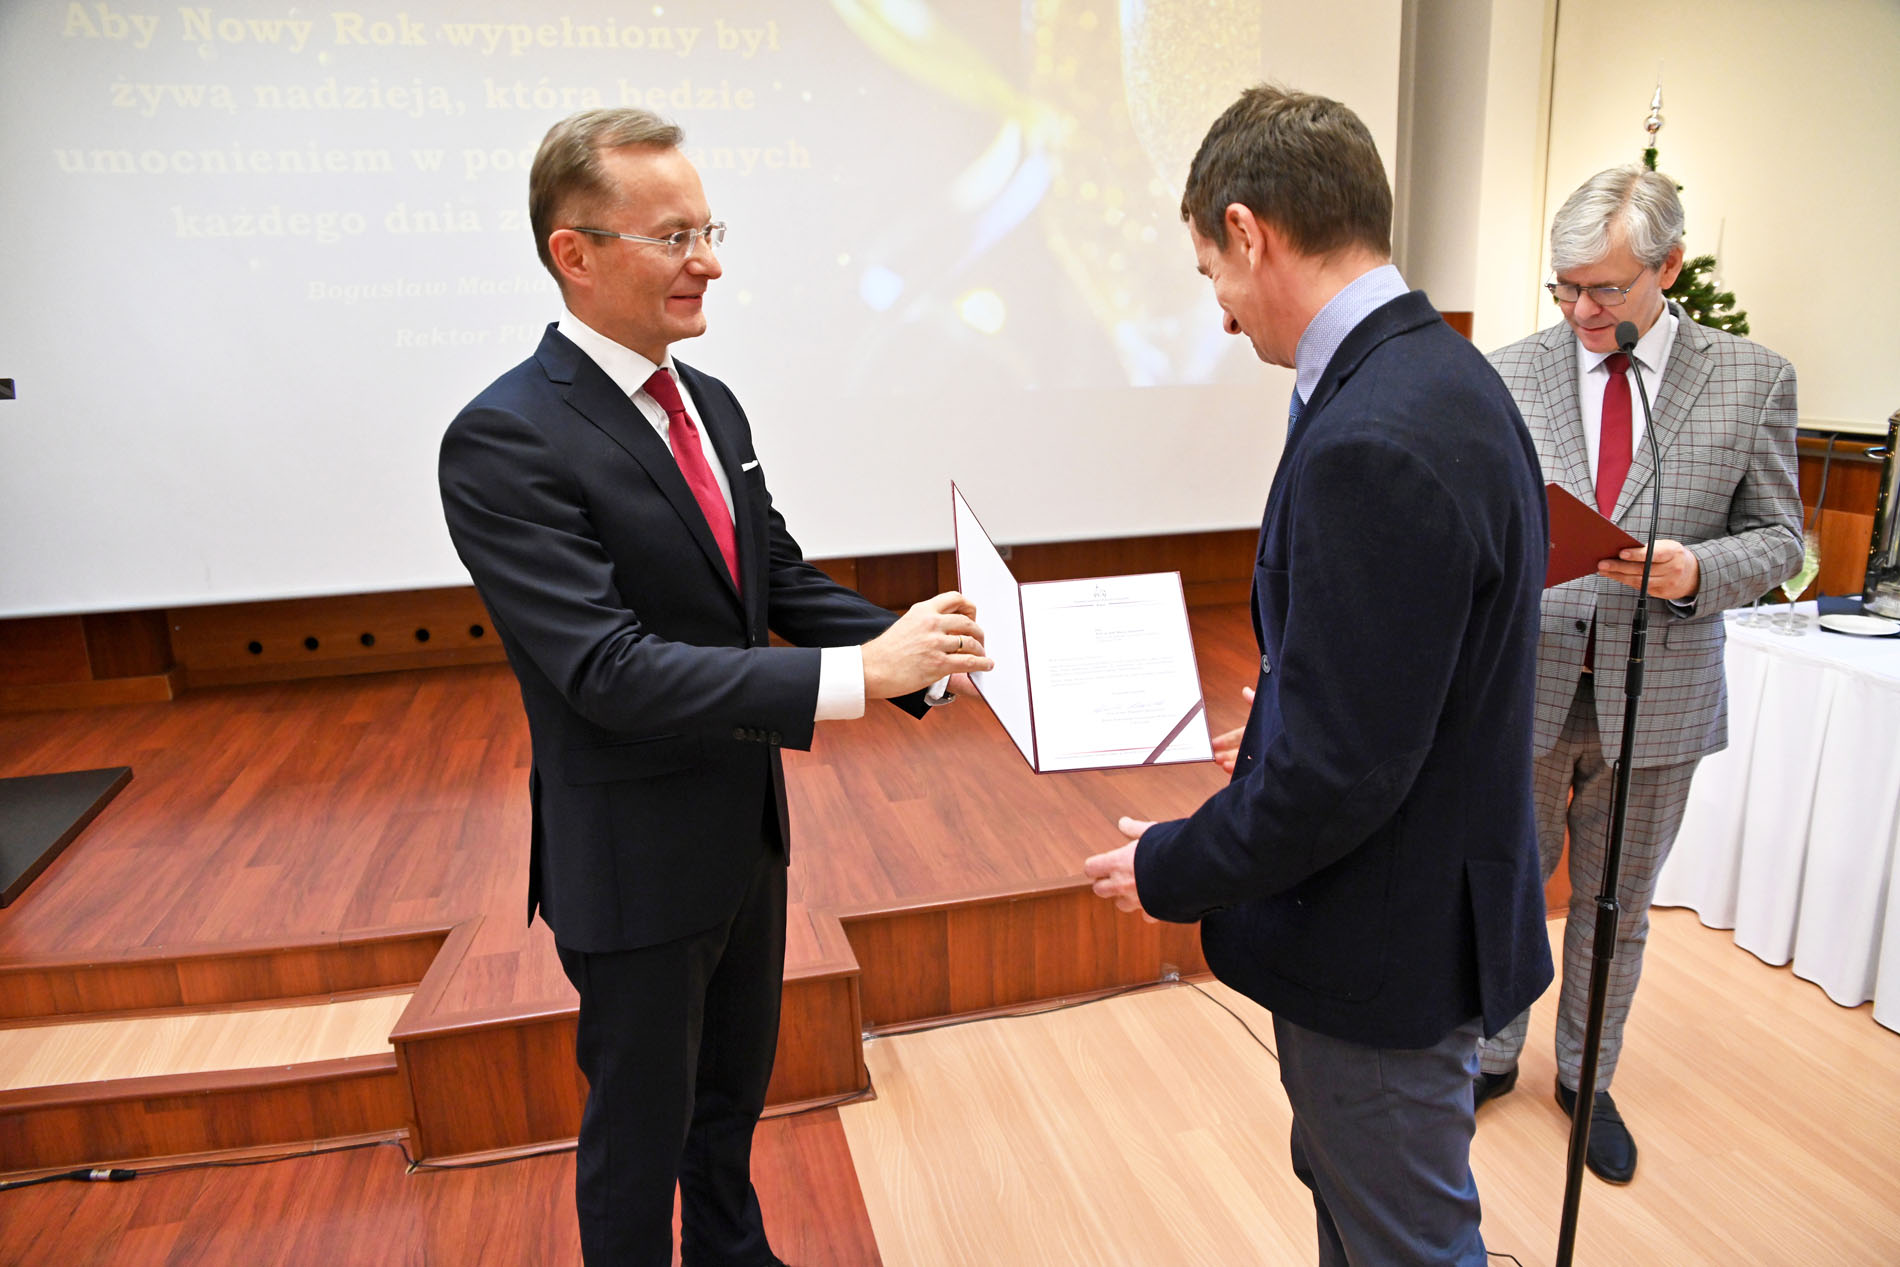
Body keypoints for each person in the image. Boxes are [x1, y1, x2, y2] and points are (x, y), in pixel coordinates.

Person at [438, 108, 992, 1266]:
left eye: (709, 230)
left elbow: (772, 578)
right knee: (639, 1139)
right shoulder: (504, 437)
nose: (709, 262)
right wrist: (860, 674)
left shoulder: (710, 400)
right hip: (633, 863)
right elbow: (606, 669)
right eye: (674, 237)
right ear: (573, 253)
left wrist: (931, 663)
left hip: (744, 837)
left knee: (729, 1108)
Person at [1084, 85, 1553, 1266]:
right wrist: (1300, 702)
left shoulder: (1373, 435)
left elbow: (1339, 776)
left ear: (1249, 233)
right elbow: (1412, 674)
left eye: (1211, 274)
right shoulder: (1438, 374)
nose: (1220, 310)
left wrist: (1170, 864)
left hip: (1383, 946)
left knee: (1404, 1242)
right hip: (1422, 912)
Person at [1475, 165, 1802, 1183]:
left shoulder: (1751, 378)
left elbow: (1782, 537)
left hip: (1659, 694)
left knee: (1615, 905)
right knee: (1503, 886)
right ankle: (1489, 1053)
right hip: (1524, 684)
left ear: (1669, 266)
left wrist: (1697, 569)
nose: (1579, 311)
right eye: (1563, 287)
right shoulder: (1506, 371)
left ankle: (1585, 1078)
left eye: (1604, 289)